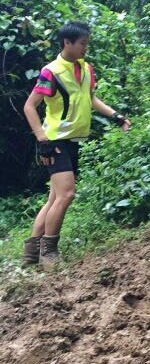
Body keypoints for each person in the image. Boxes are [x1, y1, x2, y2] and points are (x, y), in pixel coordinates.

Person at [22, 21, 131, 269]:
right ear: (67, 43)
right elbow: (29, 106)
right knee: (67, 194)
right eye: (82, 43)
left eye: (86, 43)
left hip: (73, 140)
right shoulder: (51, 72)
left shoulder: (86, 68)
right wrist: (42, 139)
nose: (85, 47)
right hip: (54, 141)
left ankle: (31, 253)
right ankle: (49, 252)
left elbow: (91, 99)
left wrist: (116, 116)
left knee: (55, 197)